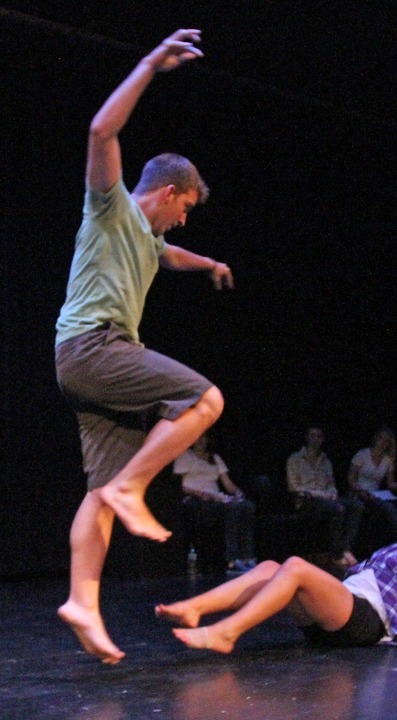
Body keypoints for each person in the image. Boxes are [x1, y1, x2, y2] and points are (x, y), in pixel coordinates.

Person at [54, 29, 234, 664]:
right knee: (205, 399)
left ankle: (82, 600)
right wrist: (150, 63)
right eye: (183, 207)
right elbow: (102, 132)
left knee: (97, 494)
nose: (183, 218)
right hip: (92, 347)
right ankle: (136, 485)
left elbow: (169, 254)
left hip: (84, 363)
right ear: (165, 192)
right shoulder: (110, 208)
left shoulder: (150, 240)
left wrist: (207, 260)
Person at [156, 473, 397, 652]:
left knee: (294, 566)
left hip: (366, 620)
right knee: (268, 569)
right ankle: (195, 608)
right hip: (342, 610)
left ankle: (227, 632)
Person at [174, 432, 257, 574]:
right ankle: (232, 560)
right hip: (196, 499)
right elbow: (180, 486)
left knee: (247, 506)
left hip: (216, 498)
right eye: (198, 437)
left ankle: (247, 557)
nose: (201, 441)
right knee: (232, 509)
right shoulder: (185, 456)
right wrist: (201, 494)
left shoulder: (215, 458)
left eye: (204, 437)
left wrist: (238, 493)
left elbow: (228, 484)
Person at [286, 426, 362, 567]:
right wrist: (321, 494)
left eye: (319, 436)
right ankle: (336, 555)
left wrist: (333, 492)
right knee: (337, 509)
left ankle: (346, 548)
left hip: (326, 498)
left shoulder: (325, 461)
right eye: (313, 435)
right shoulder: (295, 459)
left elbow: (331, 483)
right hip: (306, 501)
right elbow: (294, 487)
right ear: (307, 438)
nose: (316, 439)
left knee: (355, 505)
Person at [347, 427, 397, 545]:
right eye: (382, 439)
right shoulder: (362, 454)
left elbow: (390, 483)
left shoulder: (387, 460)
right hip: (360, 492)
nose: (383, 443)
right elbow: (351, 479)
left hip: (375, 494)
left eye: (387, 441)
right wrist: (360, 490)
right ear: (376, 438)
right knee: (387, 507)